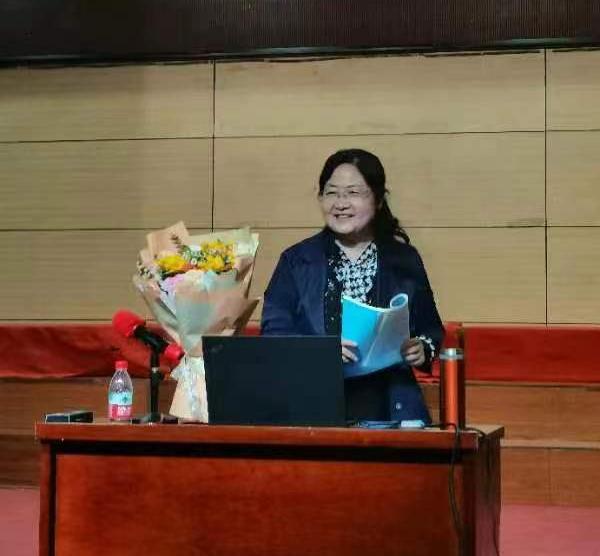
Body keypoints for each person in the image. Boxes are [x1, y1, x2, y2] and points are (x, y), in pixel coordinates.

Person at [261, 148, 444, 424]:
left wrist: (422, 348)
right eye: (332, 193)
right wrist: (321, 351)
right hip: (314, 403)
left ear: (378, 199)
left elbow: (430, 327)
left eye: (353, 193)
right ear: (320, 198)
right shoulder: (296, 261)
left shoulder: (404, 259)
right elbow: (274, 333)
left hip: (389, 404)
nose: (341, 203)